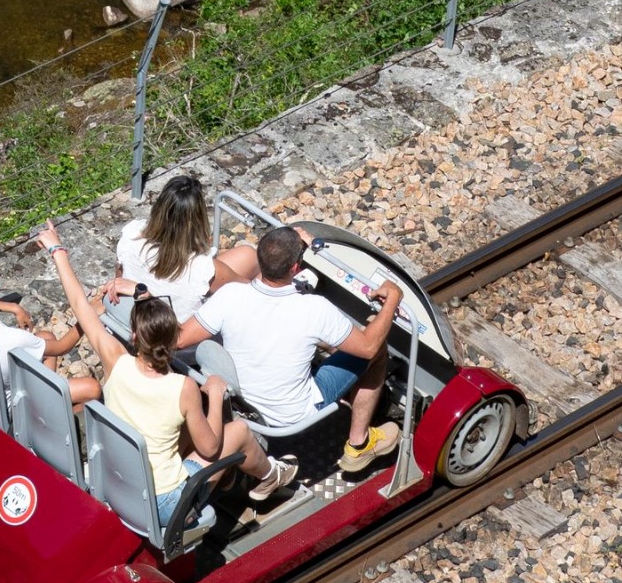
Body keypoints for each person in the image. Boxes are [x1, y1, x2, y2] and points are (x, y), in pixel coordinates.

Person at [37, 227, 297, 508]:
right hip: (164, 504)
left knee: (184, 427)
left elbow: (79, 303)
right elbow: (209, 448)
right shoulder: (183, 388)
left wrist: (58, 251)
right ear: (176, 340)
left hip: (116, 484)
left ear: (134, 336)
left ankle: (227, 480)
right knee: (238, 431)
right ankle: (272, 474)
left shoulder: (116, 361)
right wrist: (215, 393)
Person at [176, 224, 403, 478]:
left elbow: (181, 338)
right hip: (293, 414)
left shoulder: (229, 296)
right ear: (296, 268)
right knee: (377, 348)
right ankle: (359, 444)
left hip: (241, 401)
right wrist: (392, 298)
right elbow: (368, 347)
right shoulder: (315, 309)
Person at [102, 172, 259, 335]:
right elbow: (252, 295)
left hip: (129, 323)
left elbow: (119, 280)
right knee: (248, 258)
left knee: (242, 257)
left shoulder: (130, 235)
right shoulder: (202, 268)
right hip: (175, 340)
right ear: (198, 220)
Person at [0, 258, 100, 407]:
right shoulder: (12, 339)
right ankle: (56, 416)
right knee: (92, 388)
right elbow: (62, 347)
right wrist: (88, 315)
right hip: (17, 409)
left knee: (45, 337)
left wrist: (14, 307)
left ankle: (50, 396)